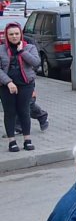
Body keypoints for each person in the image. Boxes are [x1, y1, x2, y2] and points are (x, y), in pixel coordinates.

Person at [1, 21, 38, 151]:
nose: (14, 36)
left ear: (21, 34)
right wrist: (8, 82)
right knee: (10, 112)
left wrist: (21, 51)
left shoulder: (29, 47)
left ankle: (27, 140)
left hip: (26, 85)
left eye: (17, 33)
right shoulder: (1, 49)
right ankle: (12, 141)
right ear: (7, 35)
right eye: (11, 34)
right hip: (6, 86)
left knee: (24, 111)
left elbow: (36, 62)